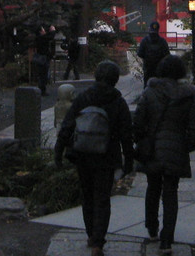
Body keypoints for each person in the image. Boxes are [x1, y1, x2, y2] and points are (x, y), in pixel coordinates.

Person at [55, 60, 135, 256]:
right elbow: (126, 134)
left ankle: (91, 235)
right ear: (115, 80)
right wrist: (129, 160)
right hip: (107, 155)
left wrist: (59, 151)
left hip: (83, 154)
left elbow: (67, 125)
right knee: (102, 199)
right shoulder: (118, 102)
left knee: (87, 195)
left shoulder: (84, 97)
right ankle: (99, 242)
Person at [133, 54, 195, 255]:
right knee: (171, 192)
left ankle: (152, 228)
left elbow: (138, 121)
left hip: (153, 148)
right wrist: (185, 145)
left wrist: (141, 141)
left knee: (153, 187)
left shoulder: (150, 93)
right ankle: (167, 240)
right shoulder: (186, 96)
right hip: (175, 148)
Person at [136, 21, 170, 87]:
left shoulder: (144, 40)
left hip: (148, 68)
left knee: (148, 86)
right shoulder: (162, 41)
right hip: (160, 68)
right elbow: (167, 55)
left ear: (149, 29)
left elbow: (140, 54)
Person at [33, 25, 55, 94]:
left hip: (41, 58)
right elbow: (50, 36)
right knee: (43, 74)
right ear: (40, 32)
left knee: (42, 74)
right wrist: (53, 31)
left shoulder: (39, 38)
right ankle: (42, 90)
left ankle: (42, 89)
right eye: (43, 30)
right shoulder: (41, 38)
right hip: (43, 58)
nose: (44, 31)